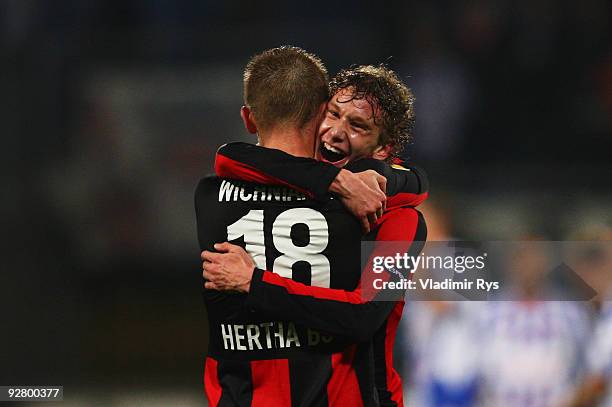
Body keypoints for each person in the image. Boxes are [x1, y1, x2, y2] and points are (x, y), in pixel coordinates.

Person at [195, 46, 419, 406]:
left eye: (358, 126)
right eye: (334, 114)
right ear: (318, 115)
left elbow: (364, 316)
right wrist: (337, 180)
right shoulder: (367, 210)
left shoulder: (209, 194)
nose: (336, 132)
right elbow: (231, 155)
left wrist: (254, 282)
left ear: (382, 150)